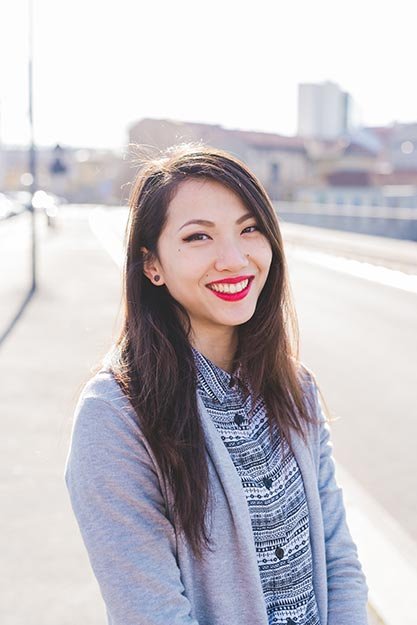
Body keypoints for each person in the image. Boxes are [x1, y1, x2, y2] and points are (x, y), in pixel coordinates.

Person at [64, 144, 369, 625]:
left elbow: (339, 560)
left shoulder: (294, 386)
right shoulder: (116, 414)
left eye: (249, 229)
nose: (234, 259)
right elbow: (150, 612)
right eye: (198, 237)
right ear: (152, 265)